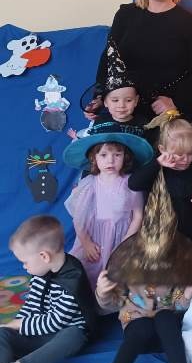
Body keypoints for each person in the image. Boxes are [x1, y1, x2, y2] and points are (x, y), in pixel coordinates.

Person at [94, 169, 192, 363]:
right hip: (138, 332)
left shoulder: (178, 267)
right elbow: (113, 302)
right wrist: (102, 292)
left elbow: (180, 302)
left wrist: (187, 295)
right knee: (140, 327)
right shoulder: (127, 267)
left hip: (167, 336)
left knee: (165, 317)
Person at [0, 216, 97, 363]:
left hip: (62, 333)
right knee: (3, 333)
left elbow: (55, 322)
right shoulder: (40, 272)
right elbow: (31, 304)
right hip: (39, 331)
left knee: (74, 334)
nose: (24, 267)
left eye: (25, 262)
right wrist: (15, 324)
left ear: (44, 256)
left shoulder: (72, 277)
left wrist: (20, 325)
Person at [63, 123, 153, 289]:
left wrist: (124, 245)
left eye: (117, 155)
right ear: (94, 159)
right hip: (93, 239)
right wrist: (86, 242)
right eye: (103, 155)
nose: (110, 160)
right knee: (85, 274)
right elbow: (78, 217)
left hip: (122, 238)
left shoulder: (131, 183)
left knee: (120, 277)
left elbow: (138, 216)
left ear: (125, 157)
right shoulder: (89, 183)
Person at [128, 117, 192, 254]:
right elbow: (133, 184)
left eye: (190, 154)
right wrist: (157, 164)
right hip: (161, 238)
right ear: (162, 149)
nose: (185, 159)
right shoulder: (157, 169)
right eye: (179, 154)